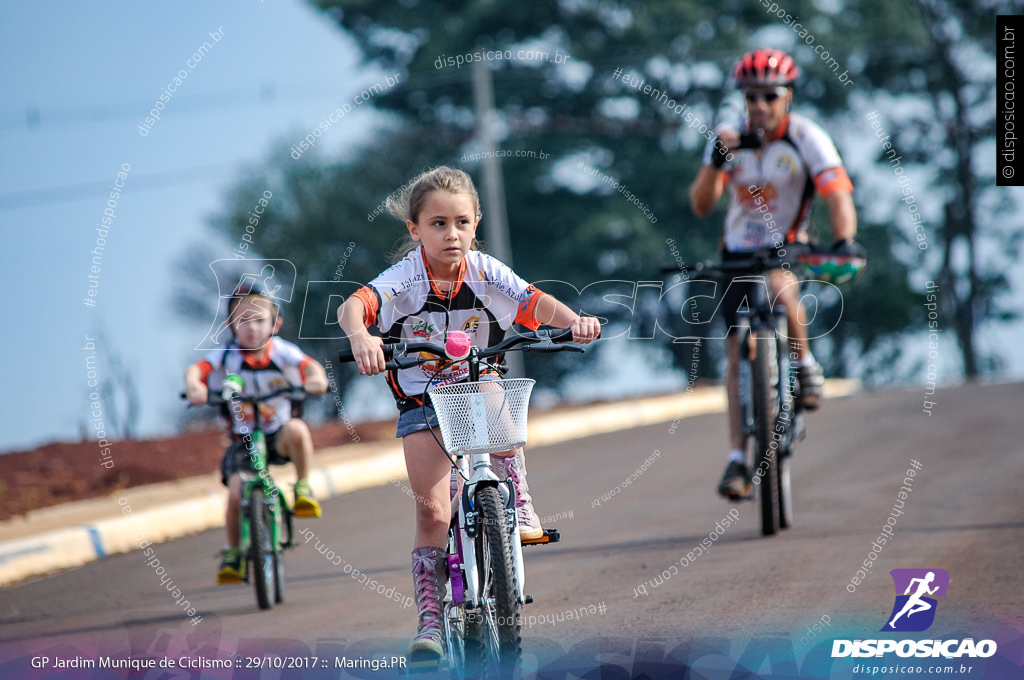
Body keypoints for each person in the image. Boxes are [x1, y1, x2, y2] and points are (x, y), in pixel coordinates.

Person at [337, 166, 600, 659]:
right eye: (437, 223)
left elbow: (535, 302)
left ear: (476, 222)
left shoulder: (485, 270)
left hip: (479, 386)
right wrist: (361, 337)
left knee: (498, 392)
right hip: (423, 401)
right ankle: (431, 622)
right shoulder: (405, 277)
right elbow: (354, 306)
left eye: (461, 221)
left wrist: (576, 322)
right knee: (433, 511)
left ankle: (517, 499)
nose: (450, 233)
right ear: (415, 229)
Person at [688, 48, 863, 501]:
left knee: (783, 288)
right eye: (750, 98)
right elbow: (702, 206)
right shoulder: (732, 138)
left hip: (787, 243)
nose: (759, 106)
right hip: (736, 250)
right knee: (733, 349)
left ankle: (805, 368)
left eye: (768, 96)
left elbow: (838, 194)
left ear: (787, 97)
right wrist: (716, 159)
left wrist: (844, 242)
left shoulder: (807, 137)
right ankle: (737, 459)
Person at [184, 282, 328, 584]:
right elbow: (196, 370)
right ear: (230, 325)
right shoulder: (225, 356)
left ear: (276, 324)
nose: (252, 328)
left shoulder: (283, 352)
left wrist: (315, 380)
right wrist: (195, 387)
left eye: (260, 320)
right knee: (236, 493)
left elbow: (311, 367)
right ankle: (234, 552)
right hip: (243, 440)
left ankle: (302, 487)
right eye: (243, 321)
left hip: (278, 434)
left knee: (299, 430)